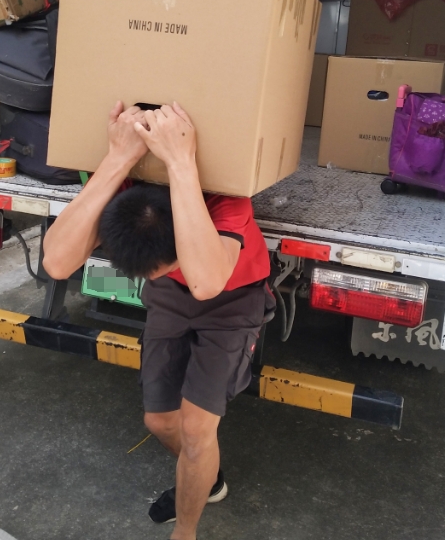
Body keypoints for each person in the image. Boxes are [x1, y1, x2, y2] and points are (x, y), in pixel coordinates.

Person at [42, 101, 273, 540]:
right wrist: (118, 157)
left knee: (197, 429)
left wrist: (181, 161)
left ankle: (185, 530)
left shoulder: (224, 197)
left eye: (163, 267)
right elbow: (56, 262)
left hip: (233, 296)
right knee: (161, 422)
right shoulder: (129, 188)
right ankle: (209, 480)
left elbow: (207, 282)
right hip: (172, 299)